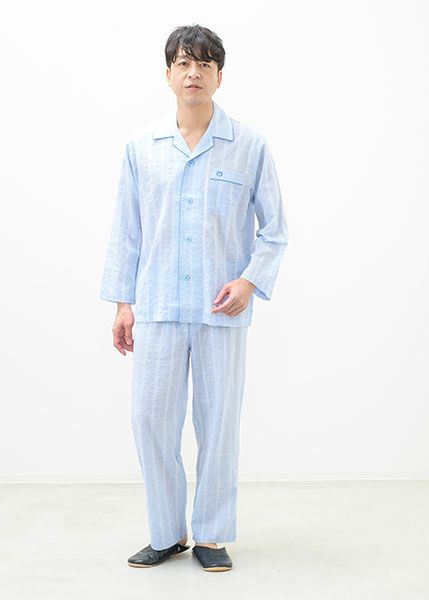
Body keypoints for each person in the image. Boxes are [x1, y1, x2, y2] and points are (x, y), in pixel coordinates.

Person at [99, 23, 288, 572]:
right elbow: (127, 230)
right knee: (150, 421)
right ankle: (166, 533)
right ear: (168, 74)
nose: (193, 73)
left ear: (219, 76)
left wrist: (248, 282)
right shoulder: (142, 147)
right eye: (184, 63)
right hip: (157, 306)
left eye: (205, 64)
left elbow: (274, 229)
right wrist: (122, 303)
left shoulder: (248, 145)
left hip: (220, 312)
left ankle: (210, 534)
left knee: (219, 425)